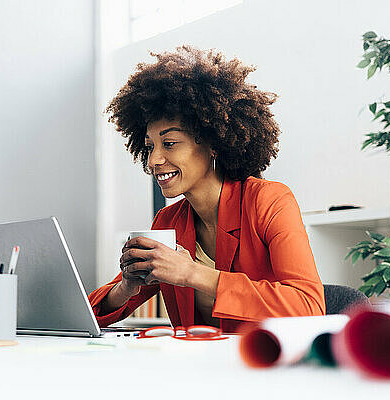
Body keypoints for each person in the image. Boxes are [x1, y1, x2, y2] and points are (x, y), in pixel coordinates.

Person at [88, 46, 325, 333]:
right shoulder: (168, 222)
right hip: (199, 369)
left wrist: (191, 273)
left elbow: (308, 306)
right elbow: (93, 314)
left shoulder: (268, 201)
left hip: (262, 366)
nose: (154, 160)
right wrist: (127, 287)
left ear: (213, 144)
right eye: (150, 146)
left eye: (170, 143)